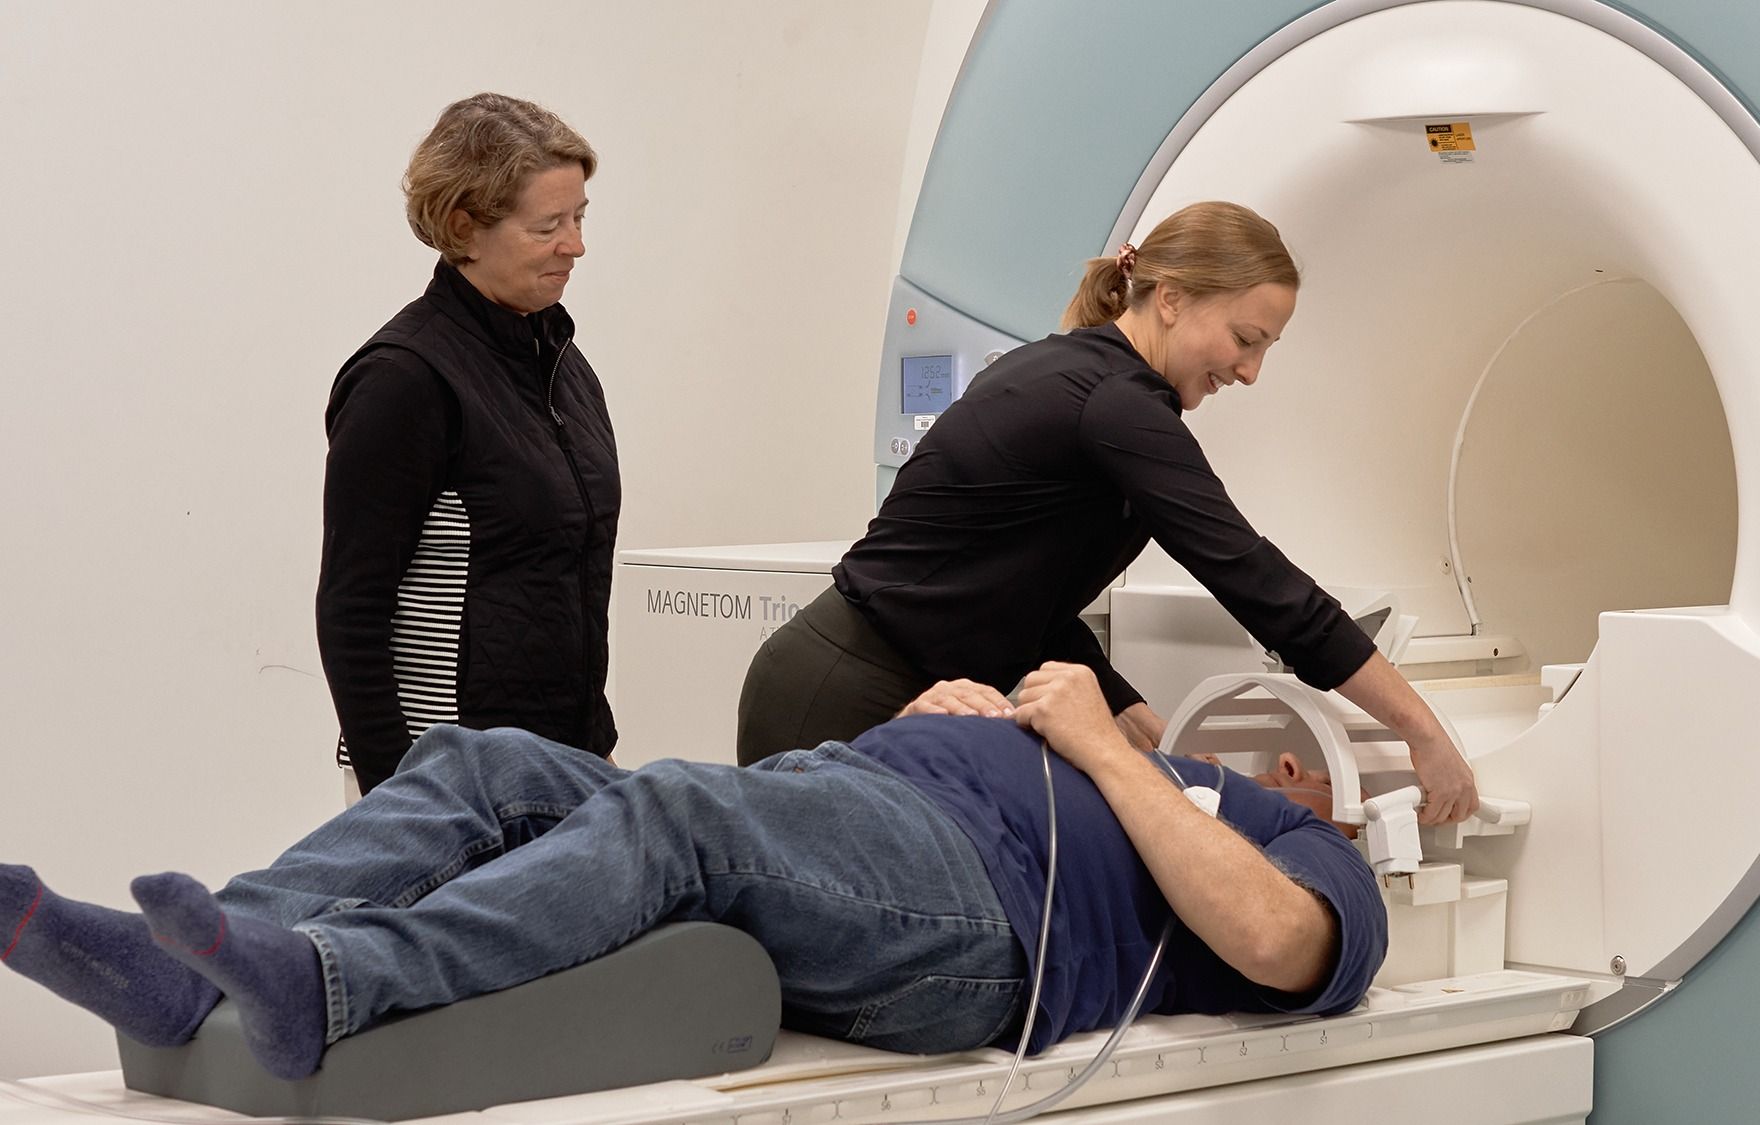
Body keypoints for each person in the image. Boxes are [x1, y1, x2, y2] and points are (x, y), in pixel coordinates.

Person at [0, 665, 1385, 1081]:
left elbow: (1275, 944)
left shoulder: (1293, 844)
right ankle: (192, 968)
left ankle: (336, 986)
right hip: (853, 804)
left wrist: (1100, 744)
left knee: (674, 817)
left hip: (976, 923)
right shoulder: (1103, 755)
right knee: (483, 758)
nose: (1284, 757)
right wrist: (944, 714)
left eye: (1311, 762)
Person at [736, 201, 1477, 824]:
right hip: (840, 692)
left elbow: (1030, 602)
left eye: (1265, 348)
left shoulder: (1099, 385)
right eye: (1245, 340)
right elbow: (1254, 578)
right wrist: (1421, 732)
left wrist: (1141, 723)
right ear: (1173, 298)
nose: (1250, 372)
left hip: (896, 686)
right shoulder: (1112, 404)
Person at [317, 93, 620, 794]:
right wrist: (399, 798)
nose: (575, 244)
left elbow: (563, 582)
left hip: (561, 767)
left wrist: (594, 747)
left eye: (579, 217)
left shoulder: (564, 368)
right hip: (445, 781)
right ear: (464, 226)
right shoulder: (404, 378)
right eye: (548, 224)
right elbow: (351, 609)